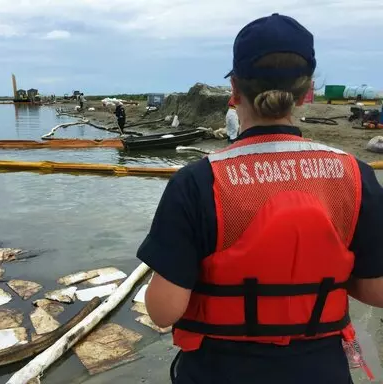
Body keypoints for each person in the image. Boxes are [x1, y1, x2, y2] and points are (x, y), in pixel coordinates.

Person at [137, 13, 383, 384]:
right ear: (307, 91)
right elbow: (376, 289)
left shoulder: (197, 181)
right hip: (321, 371)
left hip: (218, 371)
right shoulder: (355, 174)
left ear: (235, 90)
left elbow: (163, 311)